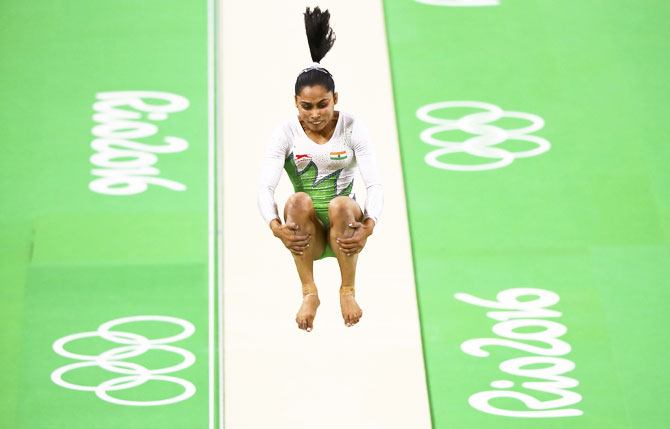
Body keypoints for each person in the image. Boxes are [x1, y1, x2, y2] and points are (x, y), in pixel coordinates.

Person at [257, 7, 383, 333]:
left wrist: (368, 225)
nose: (315, 114)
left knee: (342, 204)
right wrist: (274, 226)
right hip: (308, 233)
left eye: (323, 105)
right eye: (307, 106)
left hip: (347, 228)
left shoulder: (353, 127)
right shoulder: (285, 133)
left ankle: (347, 289)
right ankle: (309, 292)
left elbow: (375, 185)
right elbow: (265, 188)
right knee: (295, 201)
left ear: (335, 99)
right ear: (295, 103)